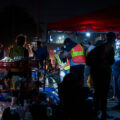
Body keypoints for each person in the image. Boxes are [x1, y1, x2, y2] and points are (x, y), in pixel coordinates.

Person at [86, 32, 116, 120]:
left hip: (97, 73)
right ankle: (102, 113)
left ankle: (97, 113)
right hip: (102, 73)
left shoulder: (100, 48)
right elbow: (111, 61)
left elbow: (89, 60)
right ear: (113, 39)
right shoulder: (108, 48)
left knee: (98, 93)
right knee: (103, 94)